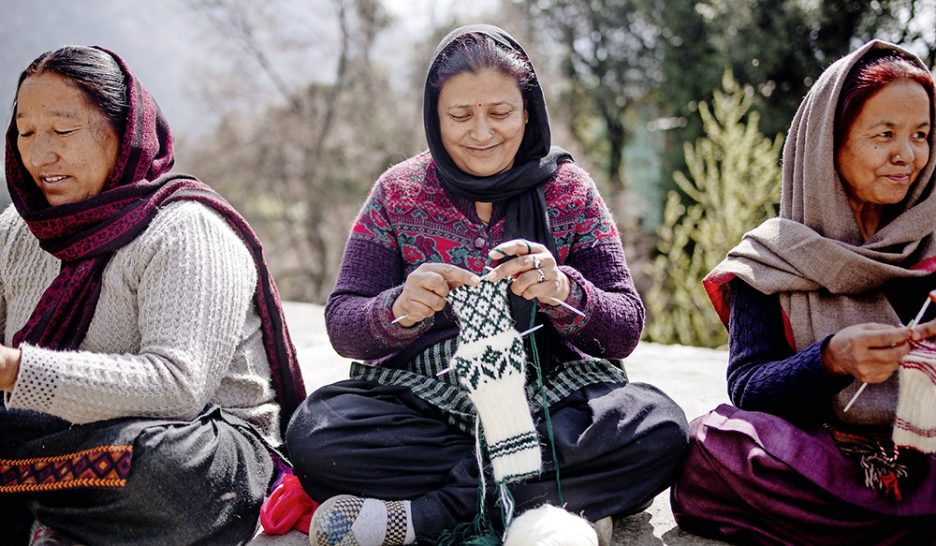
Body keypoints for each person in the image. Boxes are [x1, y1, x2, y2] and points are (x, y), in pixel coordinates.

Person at [285, 24, 689, 546]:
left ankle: (432, 515)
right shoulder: (398, 192)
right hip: (428, 403)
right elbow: (344, 323)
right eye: (460, 115)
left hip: (548, 400)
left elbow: (624, 327)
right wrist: (399, 308)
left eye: (500, 113)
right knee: (316, 434)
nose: (481, 133)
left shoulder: (569, 192)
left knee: (659, 427)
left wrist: (563, 291)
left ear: (527, 111)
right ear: (434, 117)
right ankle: (549, 505)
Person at [0, 45, 305, 545]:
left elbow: (177, 387)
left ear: (124, 134)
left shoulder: (186, 230)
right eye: (25, 132)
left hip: (197, 452)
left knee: (149, 461)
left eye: (62, 130)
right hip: (59, 442)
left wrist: (16, 369)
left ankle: (45, 513)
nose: (38, 154)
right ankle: (61, 516)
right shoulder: (17, 231)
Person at [671, 40, 936, 545]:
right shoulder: (771, 259)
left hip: (928, 451)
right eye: (885, 135)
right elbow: (748, 387)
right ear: (827, 144)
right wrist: (831, 360)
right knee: (715, 447)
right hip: (823, 458)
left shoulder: (933, 248)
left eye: (921, 135)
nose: (908, 155)